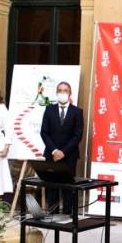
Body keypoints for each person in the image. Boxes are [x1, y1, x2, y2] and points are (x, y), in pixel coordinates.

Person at [40, 81, 84, 214]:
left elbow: (78, 135)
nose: (62, 93)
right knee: (52, 186)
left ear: (70, 93)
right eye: (60, 90)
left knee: (68, 186)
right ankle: (52, 214)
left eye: (65, 90)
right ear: (56, 93)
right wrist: (54, 150)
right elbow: (44, 132)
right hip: (51, 155)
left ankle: (67, 214)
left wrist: (63, 152)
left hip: (69, 155)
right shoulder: (49, 109)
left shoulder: (77, 112)